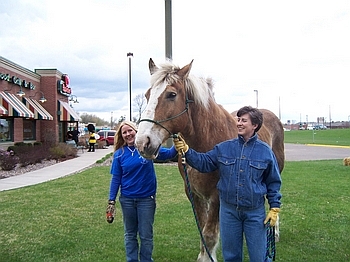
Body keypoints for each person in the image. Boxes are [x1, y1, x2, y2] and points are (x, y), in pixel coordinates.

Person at [174, 106, 282, 262]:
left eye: (244, 121)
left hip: (254, 212)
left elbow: (273, 181)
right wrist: (187, 151)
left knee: (258, 256)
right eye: (238, 120)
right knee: (231, 256)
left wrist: (274, 206)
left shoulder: (265, 151)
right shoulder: (224, 147)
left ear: (255, 126)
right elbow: (204, 163)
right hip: (229, 212)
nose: (238, 123)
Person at [106, 121, 177, 262]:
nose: (128, 134)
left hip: (146, 200)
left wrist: (178, 141)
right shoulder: (119, 154)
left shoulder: (146, 148)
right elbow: (116, 179)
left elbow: (168, 154)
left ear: (136, 131)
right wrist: (111, 201)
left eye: (130, 130)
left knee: (145, 235)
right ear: (121, 136)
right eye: (124, 132)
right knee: (130, 234)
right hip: (127, 200)